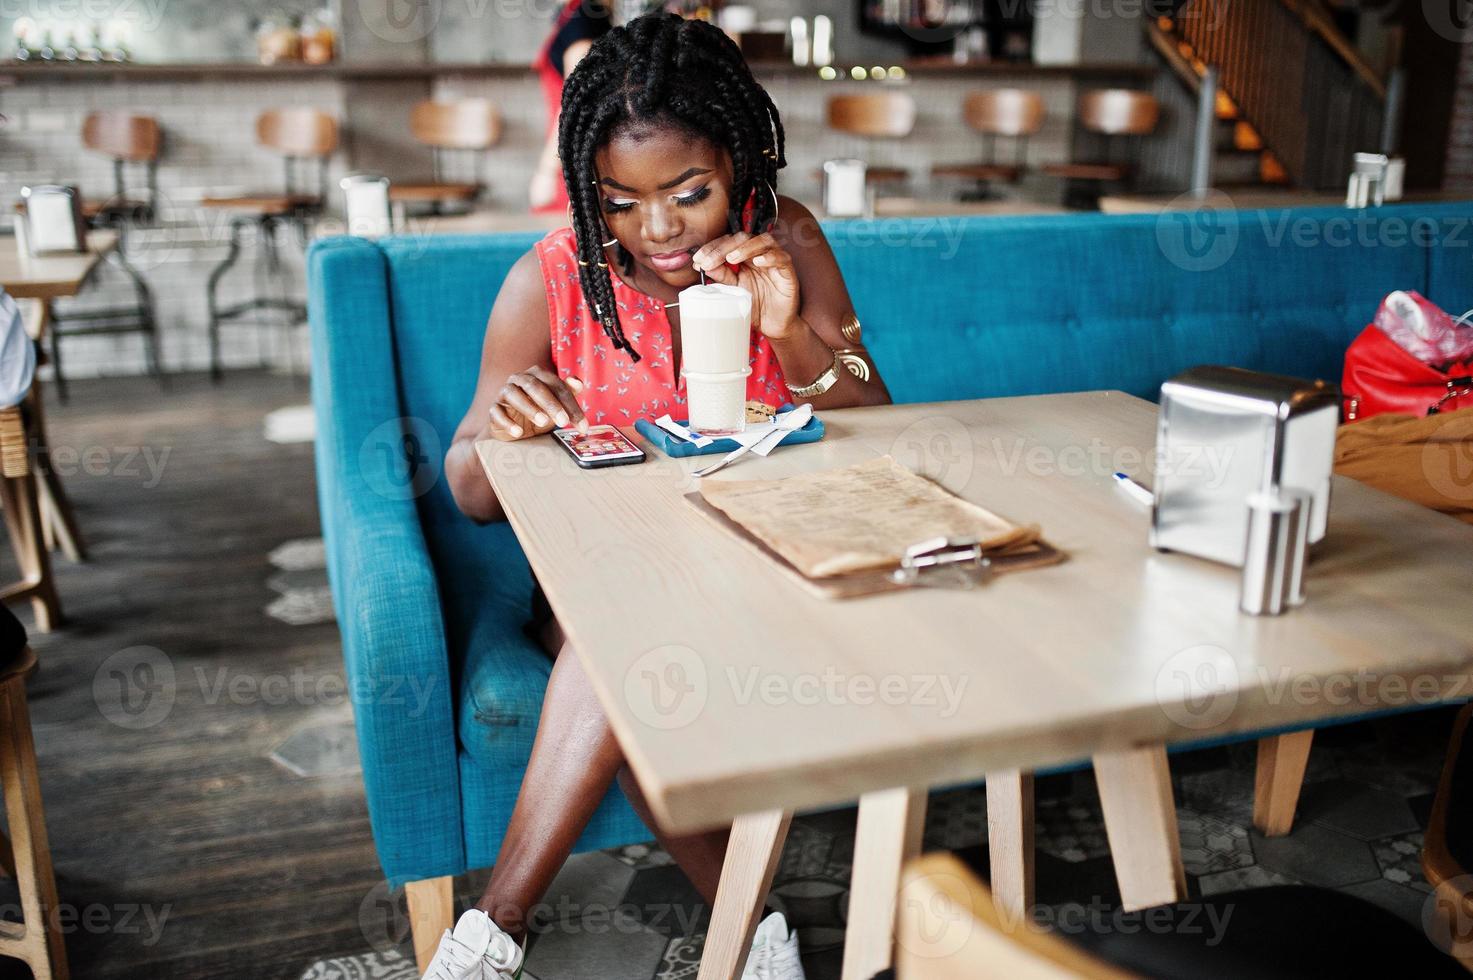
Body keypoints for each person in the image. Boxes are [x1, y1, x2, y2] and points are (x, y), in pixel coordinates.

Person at [433, 13, 892, 979]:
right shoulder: (550, 280)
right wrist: (501, 426)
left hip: (771, 571)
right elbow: (470, 492)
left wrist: (789, 333)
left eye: (690, 194)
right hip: (604, 582)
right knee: (620, 637)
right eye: (621, 203)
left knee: (627, 649)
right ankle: (507, 930)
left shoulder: (785, 236)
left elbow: (873, 409)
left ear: (739, 162)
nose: (658, 230)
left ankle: (495, 940)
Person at [528, 1, 612, 213]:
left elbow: (575, 101)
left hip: (572, 161)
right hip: (571, 155)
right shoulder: (575, 16)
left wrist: (547, 171)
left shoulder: (583, 18)